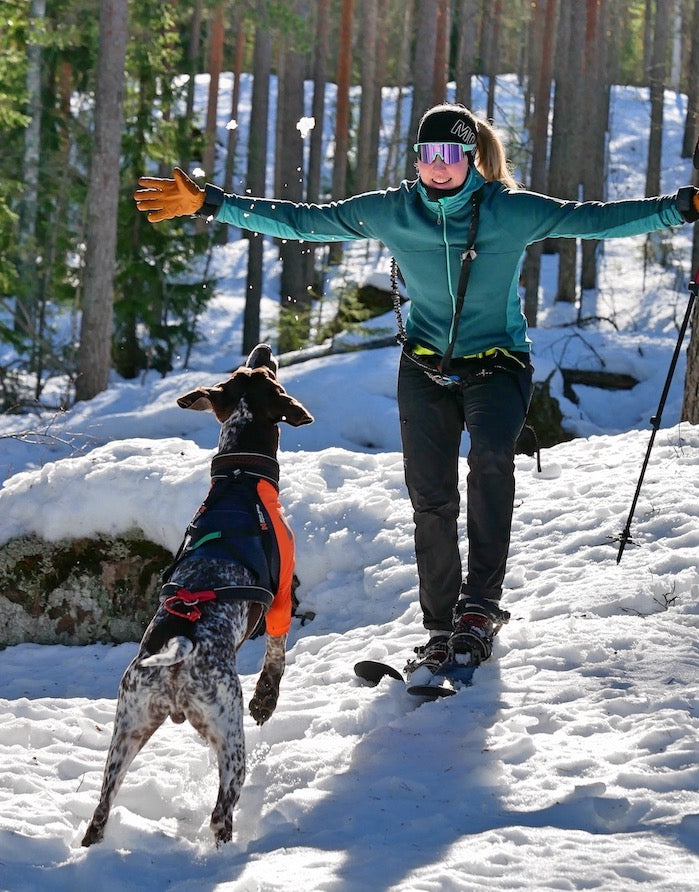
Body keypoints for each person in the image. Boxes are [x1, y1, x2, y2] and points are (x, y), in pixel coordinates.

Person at [134, 102, 699, 681]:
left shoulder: (509, 210)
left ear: (471, 157)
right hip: (424, 369)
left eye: (450, 155)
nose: (438, 167)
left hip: (498, 366)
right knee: (430, 498)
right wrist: (211, 202)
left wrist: (681, 207)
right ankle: (438, 626)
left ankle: (478, 609)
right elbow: (305, 221)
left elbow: (595, 219)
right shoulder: (393, 211)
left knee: (489, 463)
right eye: (427, 156)